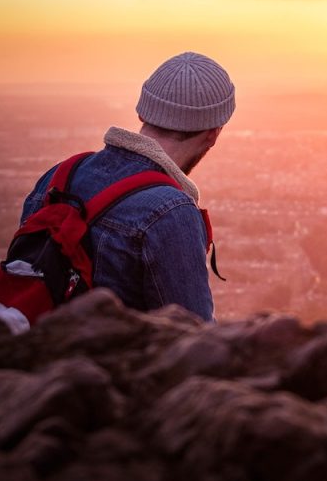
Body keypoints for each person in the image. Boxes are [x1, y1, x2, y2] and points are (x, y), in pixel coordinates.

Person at [17, 51, 235, 321]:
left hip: (36, 354)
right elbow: (194, 334)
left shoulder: (57, 177)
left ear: (143, 111)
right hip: (110, 361)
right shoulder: (172, 212)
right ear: (213, 134)